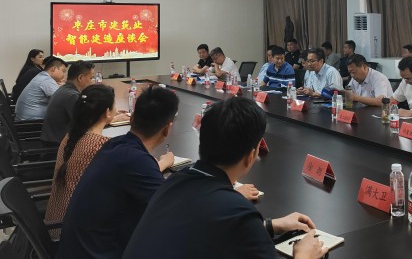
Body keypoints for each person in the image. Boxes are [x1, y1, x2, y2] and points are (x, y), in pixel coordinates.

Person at [123, 97, 327, 259]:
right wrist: (304, 256)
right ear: (251, 155)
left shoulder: (174, 182)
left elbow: (205, 232)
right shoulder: (238, 212)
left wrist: (269, 226)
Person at [58, 85, 178, 259]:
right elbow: (172, 210)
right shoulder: (135, 160)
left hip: (78, 249)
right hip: (96, 253)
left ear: (132, 118)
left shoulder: (114, 145)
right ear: (167, 128)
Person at [45, 84, 117, 236]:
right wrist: (164, 162)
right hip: (74, 231)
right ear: (107, 112)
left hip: (56, 222)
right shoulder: (100, 144)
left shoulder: (70, 136)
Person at [41, 61, 129, 146]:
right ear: (80, 78)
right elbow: (88, 122)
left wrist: (109, 113)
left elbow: (87, 114)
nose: (92, 81)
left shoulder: (66, 89)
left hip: (56, 138)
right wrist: (113, 118)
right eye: (91, 78)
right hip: (57, 144)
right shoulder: (71, 95)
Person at [14, 56, 67, 121]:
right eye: (63, 71)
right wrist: (65, 88)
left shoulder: (42, 76)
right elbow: (62, 100)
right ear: (54, 69)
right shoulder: (46, 80)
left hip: (25, 118)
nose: (64, 74)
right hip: (31, 122)